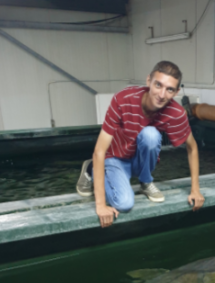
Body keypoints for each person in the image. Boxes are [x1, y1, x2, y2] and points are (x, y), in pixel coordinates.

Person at [75, 61, 205, 228]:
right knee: (124, 204)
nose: (162, 94)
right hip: (115, 158)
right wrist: (100, 205)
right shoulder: (123, 99)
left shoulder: (176, 113)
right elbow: (99, 151)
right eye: (158, 85)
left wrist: (195, 189)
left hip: (138, 161)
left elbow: (192, 147)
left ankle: (145, 181)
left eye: (170, 89)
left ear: (176, 92)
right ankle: (91, 169)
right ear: (148, 81)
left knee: (151, 135)